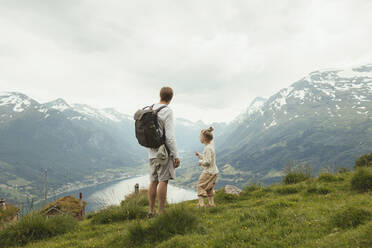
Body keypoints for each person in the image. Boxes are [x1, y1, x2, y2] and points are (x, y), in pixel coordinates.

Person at [148, 86, 180, 217]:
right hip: (164, 153)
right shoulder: (167, 111)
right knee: (163, 180)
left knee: (153, 180)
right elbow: (170, 137)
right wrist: (175, 155)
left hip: (151, 152)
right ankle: (161, 213)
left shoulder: (150, 109)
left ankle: (151, 211)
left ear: (160, 95)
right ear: (171, 98)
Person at [195, 126, 219, 207]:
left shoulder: (207, 148)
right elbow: (208, 158)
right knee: (209, 188)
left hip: (208, 172)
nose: (199, 138)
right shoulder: (211, 145)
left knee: (200, 185)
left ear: (204, 138)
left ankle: (201, 205)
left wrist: (200, 162)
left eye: (200, 136)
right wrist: (200, 156)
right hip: (214, 172)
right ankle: (211, 204)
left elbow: (207, 162)